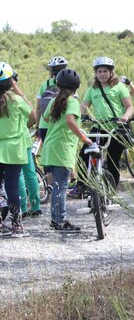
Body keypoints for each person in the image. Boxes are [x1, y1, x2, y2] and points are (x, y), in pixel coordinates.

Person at [40, 69, 93, 232]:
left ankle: (56, 220)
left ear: (58, 85)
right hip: (62, 149)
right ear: (76, 87)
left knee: (57, 186)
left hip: (50, 146)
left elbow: (46, 117)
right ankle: (60, 221)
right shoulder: (72, 102)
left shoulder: (54, 101)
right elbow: (70, 120)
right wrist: (84, 138)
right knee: (61, 187)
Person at [78, 56, 134, 191]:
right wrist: (81, 116)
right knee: (84, 154)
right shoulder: (92, 89)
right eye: (99, 71)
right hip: (98, 128)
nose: (102, 74)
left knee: (113, 160)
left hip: (116, 128)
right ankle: (82, 186)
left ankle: (111, 190)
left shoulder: (119, 87)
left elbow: (130, 107)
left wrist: (125, 117)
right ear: (96, 73)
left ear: (111, 72)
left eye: (105, 71)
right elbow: (84, 106)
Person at [0, 62, 33, 237]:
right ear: (11, 81)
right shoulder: (17, 100)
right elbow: (33, 116)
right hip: (14, 150)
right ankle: (16, 225)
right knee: (12, 187)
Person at [12, 72, 42, 219]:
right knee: (30, 173)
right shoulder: (18, 98)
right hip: (24, 139)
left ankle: (23, 208)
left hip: (10, 143)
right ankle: (36, 207)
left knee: (17, 175)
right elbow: (33, 117)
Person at [35, 56, 68, 134]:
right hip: (61, 126)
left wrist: (37, 126)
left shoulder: (45, 84)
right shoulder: (69, 84)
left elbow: (38, 107)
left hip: (44, 126)